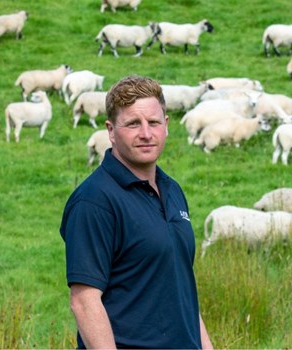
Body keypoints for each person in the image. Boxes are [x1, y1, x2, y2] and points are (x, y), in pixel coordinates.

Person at [60, 75, 213, 349]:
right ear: (110, 131)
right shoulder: (94, 201)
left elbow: (181, 289)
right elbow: (84, 301)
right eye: (132, 123)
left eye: (153, 122)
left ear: (166, 126)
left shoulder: (172, 190)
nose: (145, 133)